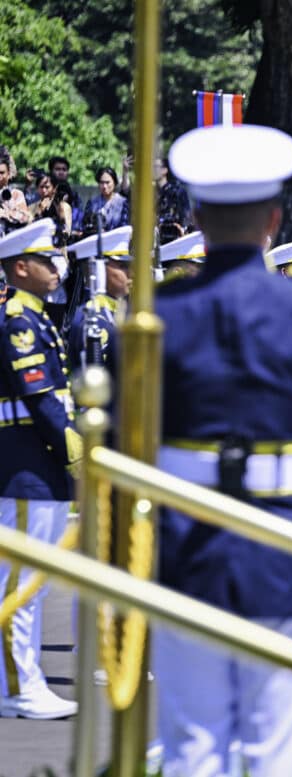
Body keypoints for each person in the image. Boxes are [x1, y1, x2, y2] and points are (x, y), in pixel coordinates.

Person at [154, 124, 292, 777]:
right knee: (277, 751)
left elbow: (118, 450)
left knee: (192, 750)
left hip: (183, 550)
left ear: (198, 218)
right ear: (274, 220)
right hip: (286, 551)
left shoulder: (154, 313)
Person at [0, 218, 81, 719]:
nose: (56, 267)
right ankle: (16, 687)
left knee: (33, 583)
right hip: (27, 463)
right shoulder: (19, 321)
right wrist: (76, 452)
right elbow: (41, 399)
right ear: (21, 267)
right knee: (20, 583)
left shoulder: (38, 318)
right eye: (46, 259)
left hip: (41, 465)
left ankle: (22, 679)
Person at [65, 226, 133, 374]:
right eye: (122, 266)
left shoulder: (114, 311)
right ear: (97, 269)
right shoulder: (95, 318)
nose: (130, 273)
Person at [82, 166, 130, 235]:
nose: (104, 186)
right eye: (102, 182)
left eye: (107, 182)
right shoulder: (92, 203)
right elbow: (85, 226)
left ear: (114, 183)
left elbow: (125, 227)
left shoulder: (123, 203)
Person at [47, 156, 83, 238]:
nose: (61, 172)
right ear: (51, 171)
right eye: (57, 169)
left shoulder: (74, 196)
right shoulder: (45, 192)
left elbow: (79, 217)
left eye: (64, 169)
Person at [0, 154, 31, 235]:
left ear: (8, 174)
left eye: (2, 173)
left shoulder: (16, 194)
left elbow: (25, 218)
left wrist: (5, 213)